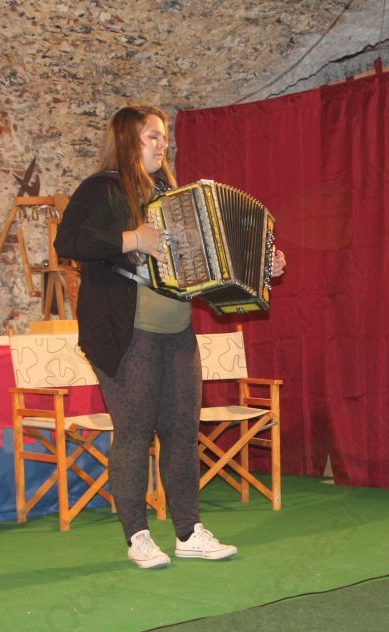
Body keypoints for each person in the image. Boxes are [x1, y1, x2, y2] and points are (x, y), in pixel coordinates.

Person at [56, 104, 286, 569]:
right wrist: (132, 239)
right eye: (153, 137)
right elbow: (69, 241)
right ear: (128, 141)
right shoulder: (102, 188)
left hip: (177, 329)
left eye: (164, 137)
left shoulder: (175, 196)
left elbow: (208, 260)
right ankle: (138, 537)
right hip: (126, 333)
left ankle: (188, 532)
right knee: (135, 433)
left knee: (182, 432)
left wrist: (261, 265)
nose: (164, 144)